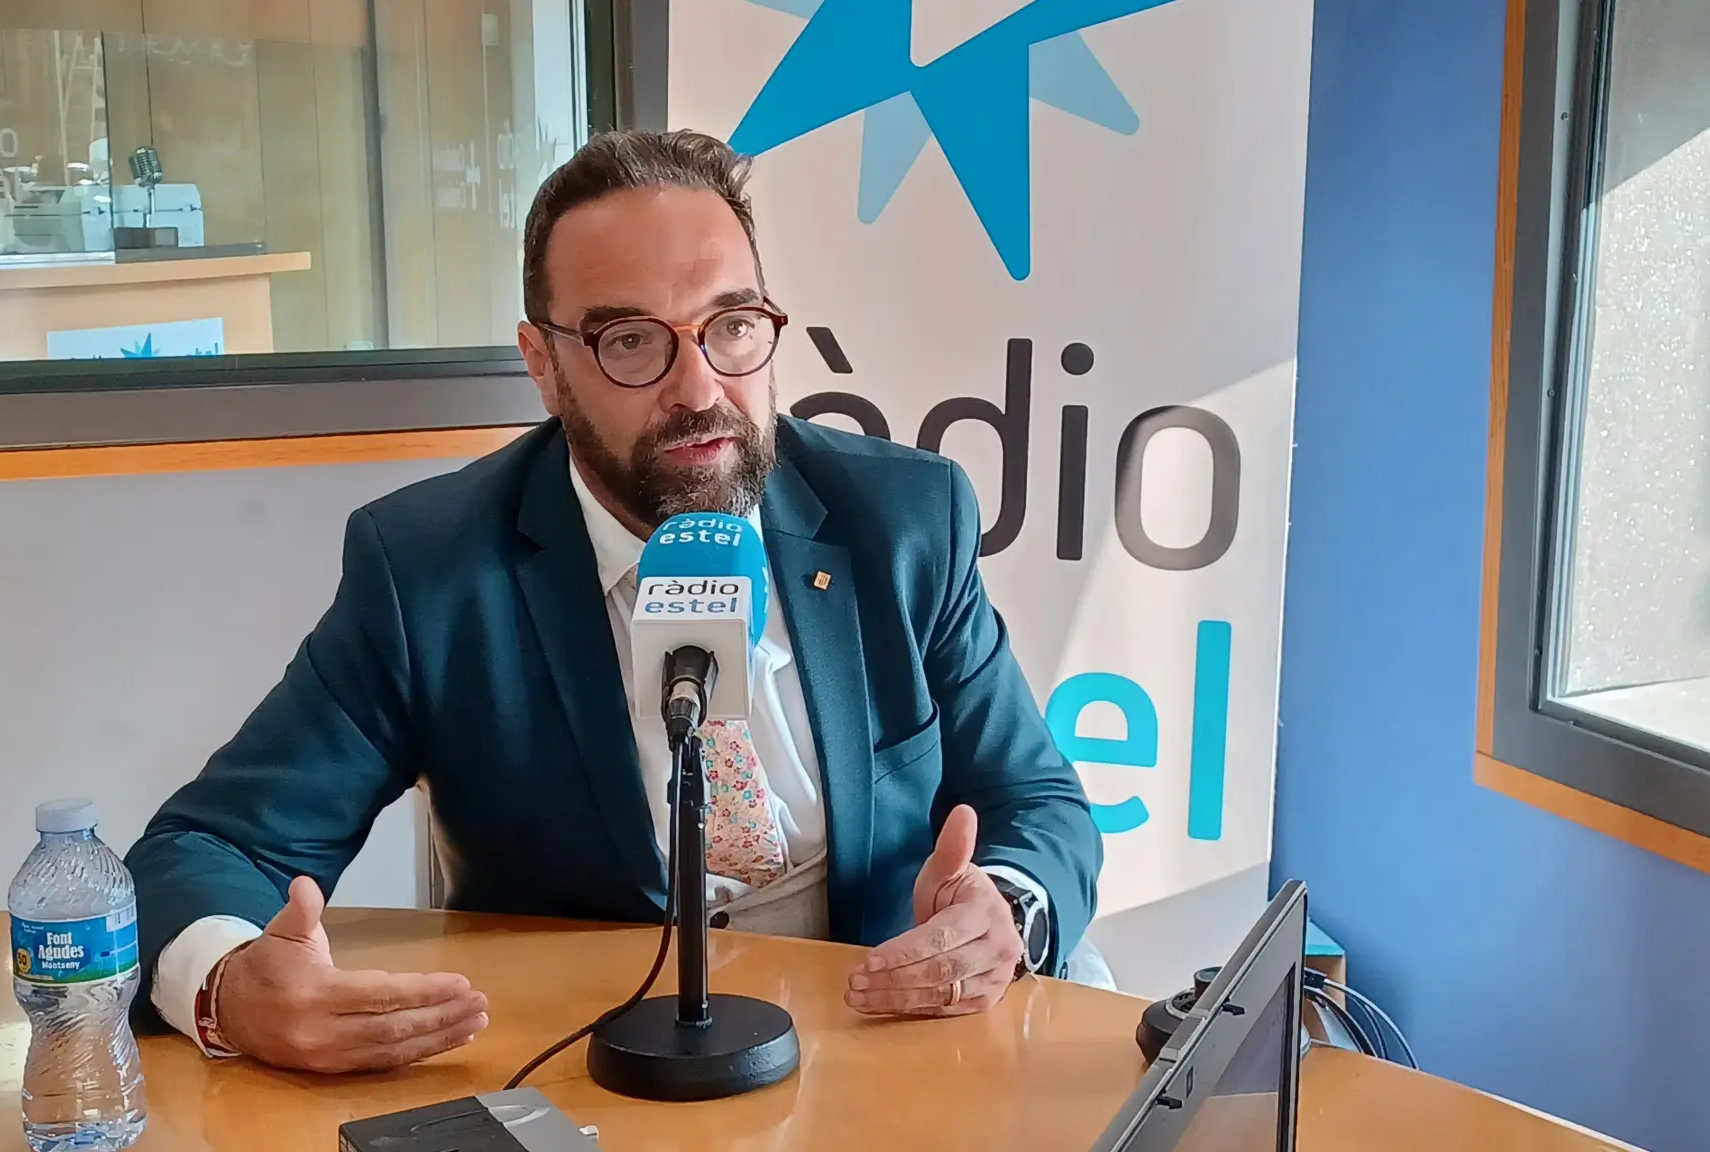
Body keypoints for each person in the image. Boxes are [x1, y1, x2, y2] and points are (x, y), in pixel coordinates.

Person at [125, 129, 1104, 1075]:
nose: (699, 388)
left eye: (731, 326)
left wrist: (1005, 912)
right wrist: (231, 985)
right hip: (585, 1075)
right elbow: (205, 846)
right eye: (631, 341)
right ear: (542, 365)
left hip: (879, 1057)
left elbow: (1035, 802)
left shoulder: (901, 519)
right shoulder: (429, 569)